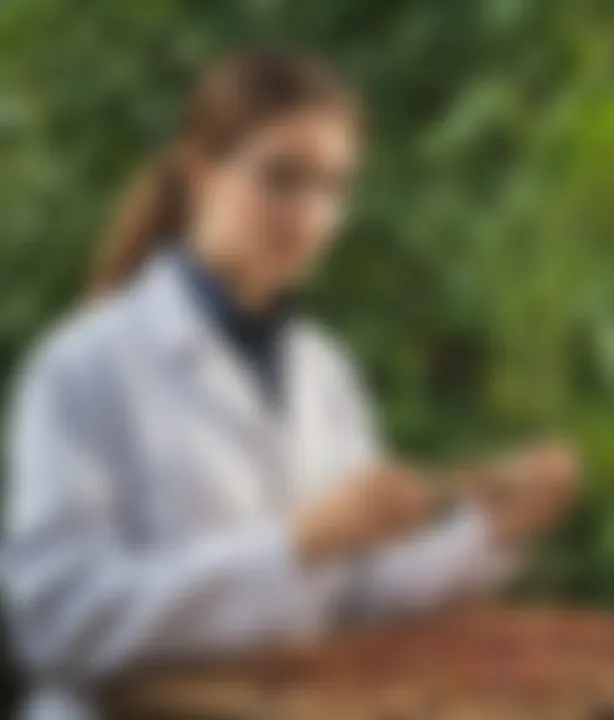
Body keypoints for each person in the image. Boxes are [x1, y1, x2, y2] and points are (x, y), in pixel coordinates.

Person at [2, 48, 578, 719]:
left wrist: (491, 531)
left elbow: (357, 596)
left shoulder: (324, 372)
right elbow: (52, 619)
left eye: (334, 187)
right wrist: (292, 544)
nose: (310, 215)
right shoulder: (82, 366)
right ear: (200, 173)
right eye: (282, 177)